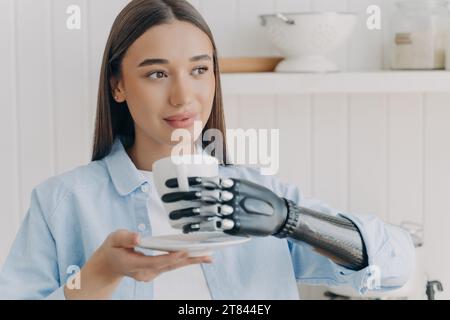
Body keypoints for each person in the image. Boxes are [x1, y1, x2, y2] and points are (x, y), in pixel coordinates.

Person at [0, 0, 414, 300]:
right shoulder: (63, 204)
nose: (183, 96)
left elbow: (396, 268)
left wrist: (291, 221)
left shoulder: (257, 196)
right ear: (118, 85)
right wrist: (98, 275)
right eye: (157, 73)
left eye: (199, 69)